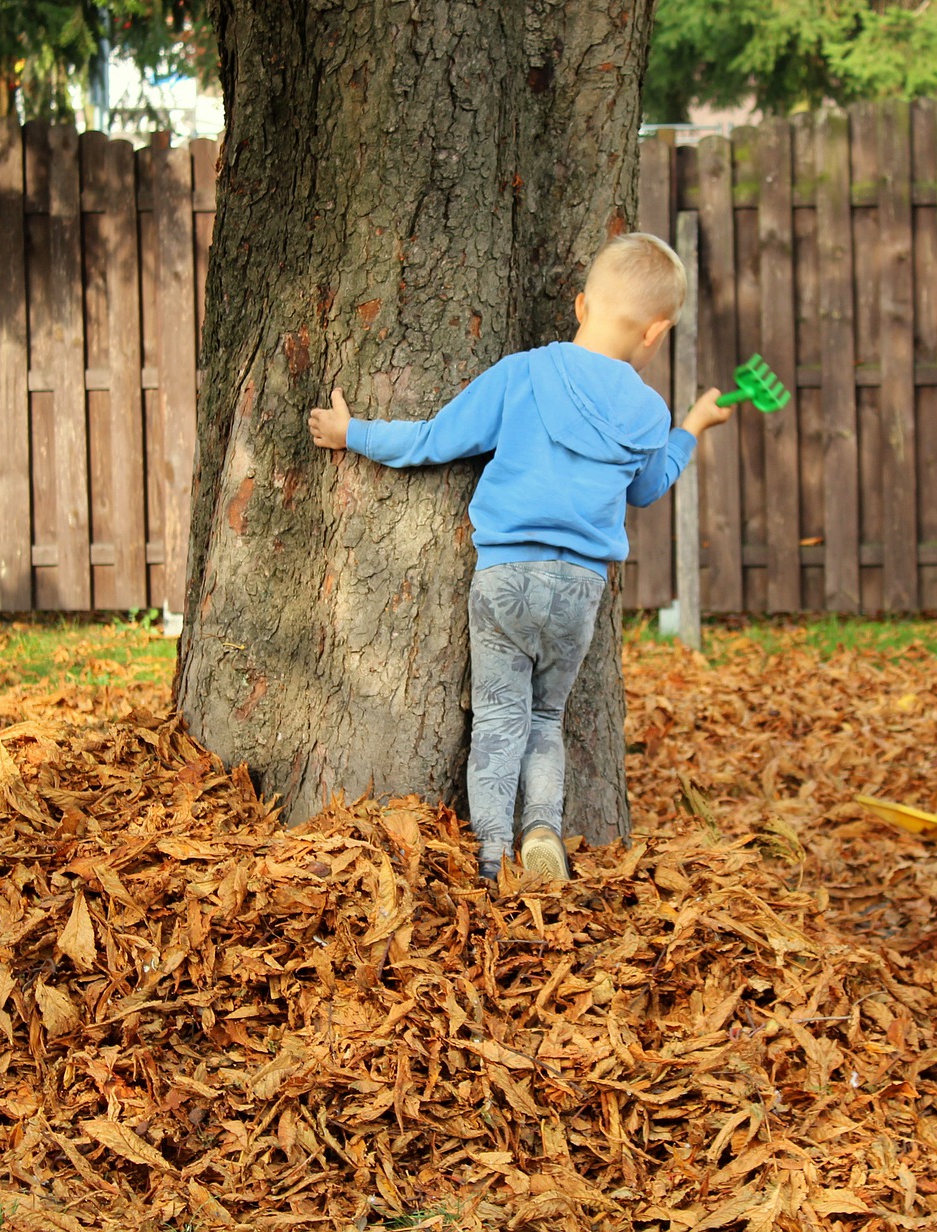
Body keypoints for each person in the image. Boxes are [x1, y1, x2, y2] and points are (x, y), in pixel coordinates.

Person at [308, 233, 731, 884]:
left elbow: (433, 441)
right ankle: (543, 830)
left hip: (507, 576)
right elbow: (647, 489)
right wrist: (691, 429)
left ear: (583, 304)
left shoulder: (525, 374)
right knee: (543, 717)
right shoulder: (649, 410)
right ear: (656, 333)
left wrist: (351, 433)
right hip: (579, 590)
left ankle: (489, 858)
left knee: (500, 718)